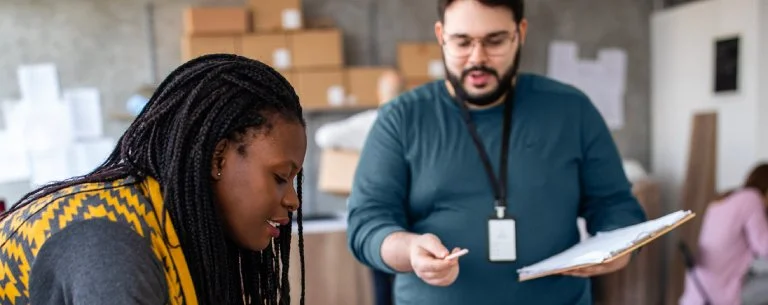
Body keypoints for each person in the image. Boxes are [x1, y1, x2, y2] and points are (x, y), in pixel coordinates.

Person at [345, 0, 648, 304]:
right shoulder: (400, 118)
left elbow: (616, 205)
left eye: (495, 41)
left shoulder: (572, 110)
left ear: (521, 32)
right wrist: (410, 251)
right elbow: (367, 223)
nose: (478, 58)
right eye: (462, 42)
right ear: (441, 35)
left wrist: (618, 250)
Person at [0, 54, 308, 305]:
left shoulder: (167, 229)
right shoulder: (112, 248)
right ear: (217, 158)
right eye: (281, 176)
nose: (293, 200)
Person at [679, 163, 768, 305]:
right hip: (720, 295)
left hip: (697, 292)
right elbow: (764, 247)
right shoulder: (752, 198)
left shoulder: (725, 198)